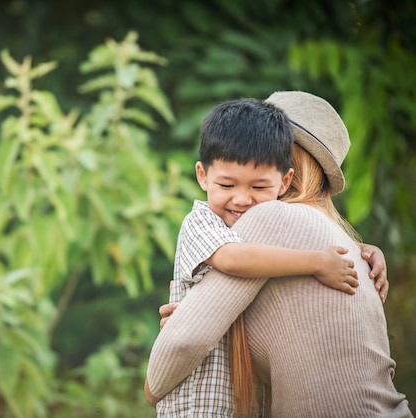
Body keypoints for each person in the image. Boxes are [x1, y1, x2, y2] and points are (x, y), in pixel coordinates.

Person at [145, 91, 412, 417]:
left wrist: (153, 386)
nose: (242, 198)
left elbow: (185, 341)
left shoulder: (270, 219)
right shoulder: (337, 239)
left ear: (287, 168)